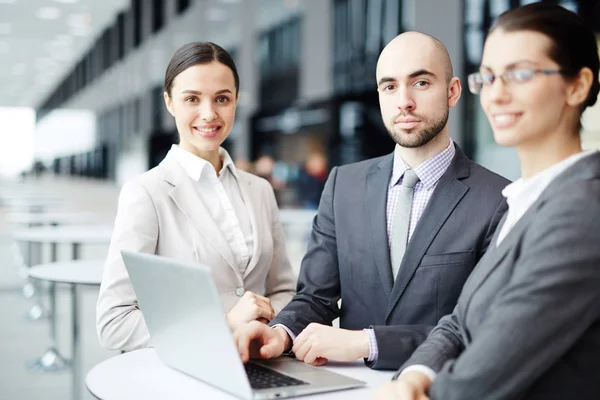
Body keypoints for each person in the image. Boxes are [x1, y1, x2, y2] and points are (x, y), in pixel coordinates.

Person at [234, 31, 510, 371]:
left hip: (439, 387)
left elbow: (484, 328)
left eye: (420, 83)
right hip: (348, 389)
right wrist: (281, 333)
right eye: (390, 87)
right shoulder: (343, 186)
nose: (404, 101)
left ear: (452, 91)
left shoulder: (499, 200)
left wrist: (366, 342)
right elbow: (315, 297)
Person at [375, 4, 600, 399]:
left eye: (521, 74)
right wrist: (412, 376)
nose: (497, 94)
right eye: (490, 77)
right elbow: (458, 324)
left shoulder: (583, 210)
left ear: (578, 86)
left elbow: (481, 380)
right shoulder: (524, 200)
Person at [96, 42, 296, 351]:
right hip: (190, 368)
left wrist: (268, 328)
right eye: (192, 99)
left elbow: (284, 289)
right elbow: (114, 324)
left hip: (264, 364)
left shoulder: (260, 190)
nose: (209, 114)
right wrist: (226, 323)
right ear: (170, 103)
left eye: (222, 99)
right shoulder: (147, 193)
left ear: (236, 101)